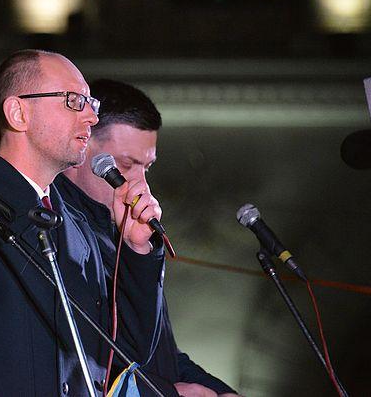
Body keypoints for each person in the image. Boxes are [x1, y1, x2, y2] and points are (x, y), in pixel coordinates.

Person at [0, 49, 165, 396]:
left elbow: (124, 355)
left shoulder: (79, 227)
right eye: (74, 101)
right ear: (18, 113)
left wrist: (136, 249)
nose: (91, 116)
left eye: (92, 103)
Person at [57, 79, 241, 396]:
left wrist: (222, 391)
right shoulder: (61, 230)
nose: (140, 183)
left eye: (147, 167)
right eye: (126, 164)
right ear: (83, 144)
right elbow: (106, 360)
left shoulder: (122, 229)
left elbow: (161, 354)